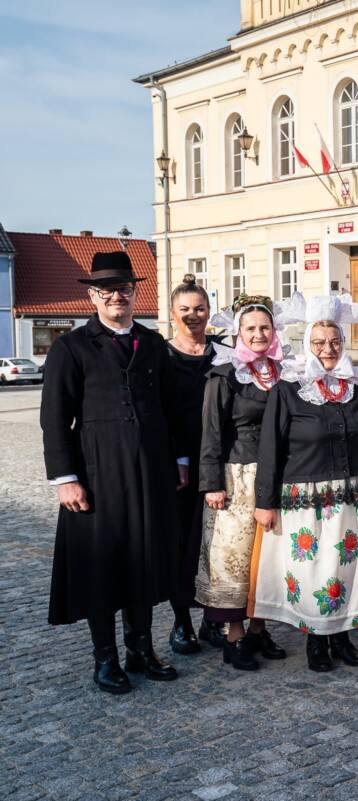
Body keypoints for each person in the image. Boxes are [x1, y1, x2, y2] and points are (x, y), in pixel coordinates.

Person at [42, 251, 188, 694]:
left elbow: (173, 409)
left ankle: (140, 650)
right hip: (97, 474)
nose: (116, 298)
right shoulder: (71, 347)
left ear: (134, 292)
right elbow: (54, 417)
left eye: (124, 290)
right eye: (107, 291)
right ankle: (105, 659)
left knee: (142, 563)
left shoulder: (152, 342)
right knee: (101, 568)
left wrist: (179, 461)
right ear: (93, 296)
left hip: (149, 472)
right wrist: (66, 478)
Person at [252, 294, 358, 672]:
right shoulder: (289, 388)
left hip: (354, 493)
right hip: (307, 498)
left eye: (334, 342)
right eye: (319, 343)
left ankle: (342, 637)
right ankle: (316, 640)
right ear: (307, 344)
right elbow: (271, 448)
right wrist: (265, 502)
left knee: (349, 569)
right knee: (316, 569)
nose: (327, 350)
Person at [194, 293, 303, 670]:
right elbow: (210, 430)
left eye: (265, 327)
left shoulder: (286, 370)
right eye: (251, 328)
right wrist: (211, 483)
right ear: (238, 332)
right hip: (237, 476)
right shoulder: (225, 374)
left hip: (280, 474)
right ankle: (234, 635)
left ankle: (259, 627)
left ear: (275, 330)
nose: (258, 334)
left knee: (268, 556)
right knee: (235, 558)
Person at [163, 274, 223, 654]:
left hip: (219, 464)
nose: (192, 315)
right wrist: (176, 459)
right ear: (172, 313)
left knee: (218, 544)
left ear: (209, 311)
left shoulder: (224, 353)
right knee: (183, 544)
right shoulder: (160, 354)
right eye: (184, 309)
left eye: (199, 308)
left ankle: (213, 621)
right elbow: (157, 414)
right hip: (180, 468)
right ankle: (181, 621)